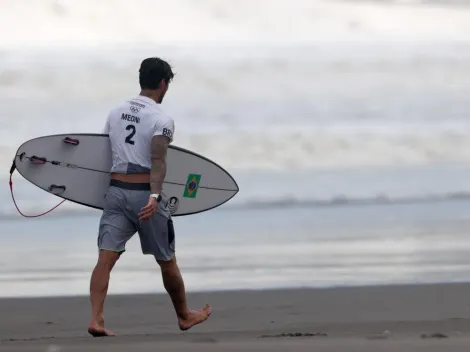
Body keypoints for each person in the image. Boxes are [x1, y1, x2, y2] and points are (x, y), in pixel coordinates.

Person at [87, 57, 212, 337]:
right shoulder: (161, 119)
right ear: (163, 84)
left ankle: (97, 319)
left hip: (116, 193)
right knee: (166, 260)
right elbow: (158, 160)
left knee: (105, 260)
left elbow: (102, 153)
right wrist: (155, 196)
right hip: (145, 198)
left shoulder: (115, 111)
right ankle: (184, 316)